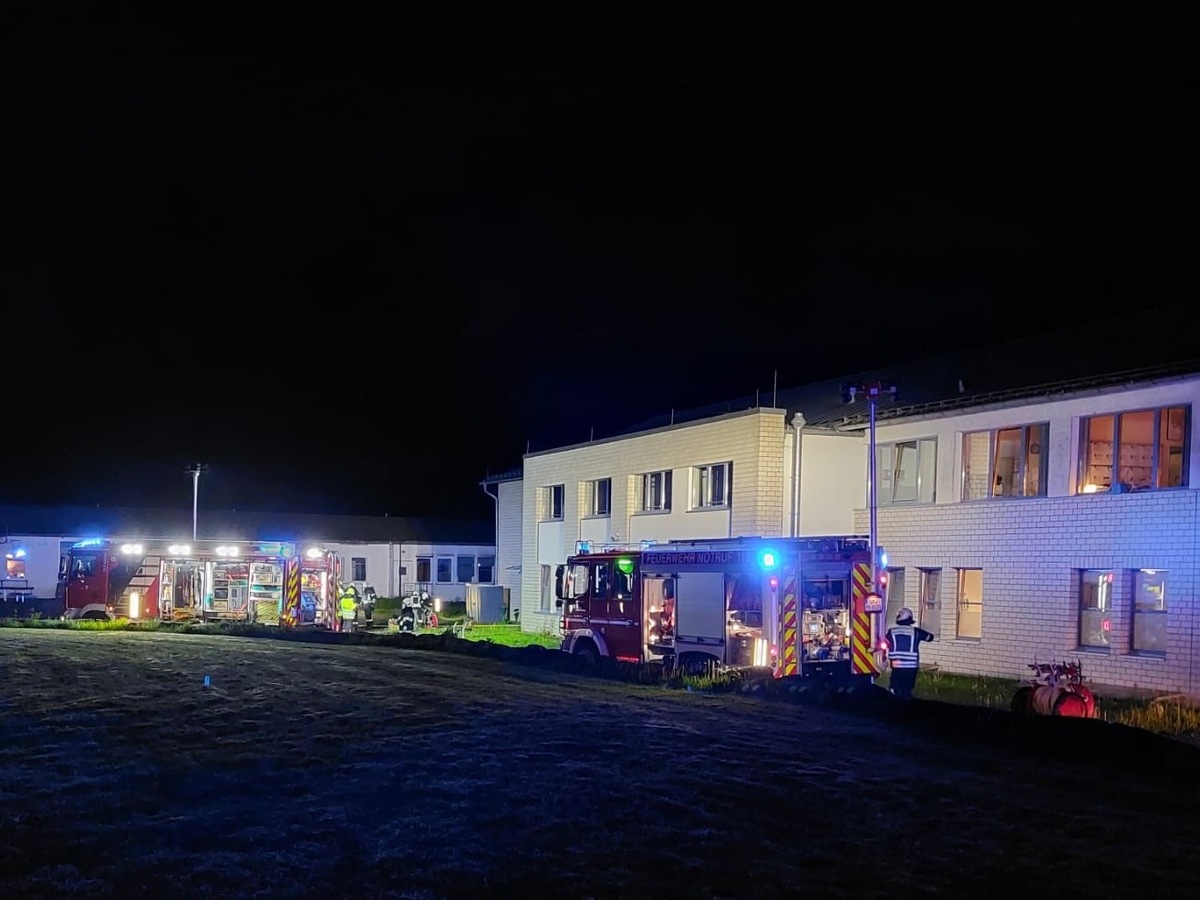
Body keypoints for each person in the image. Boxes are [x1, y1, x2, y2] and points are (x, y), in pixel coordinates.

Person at [885, 607, 934, 699]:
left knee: (895, 690)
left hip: (897, 666)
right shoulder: (916, 632)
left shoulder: (891, 632)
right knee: (907, 690)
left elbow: (884, 642)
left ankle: (894, 708)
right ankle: (906, 708)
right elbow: (930, 637)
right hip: (911, 667)